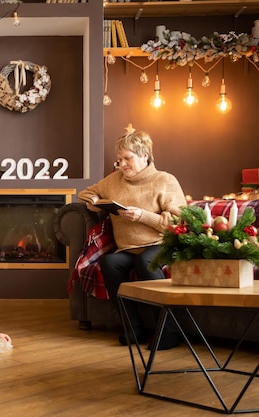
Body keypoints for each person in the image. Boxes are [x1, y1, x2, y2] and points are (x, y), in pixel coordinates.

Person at [77, 125, 187, 350]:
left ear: (144, 155)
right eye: (119, 160)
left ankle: (171, 329)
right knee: (109, 262)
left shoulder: (164, 180)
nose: (122, 164)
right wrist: (96, 204)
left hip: (161, 244)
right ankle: (133, 328)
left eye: (127, 158)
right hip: (128, 248)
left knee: (145, 260)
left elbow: (178, 224)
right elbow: (86, 192)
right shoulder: (113, 180)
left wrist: (143, 216)